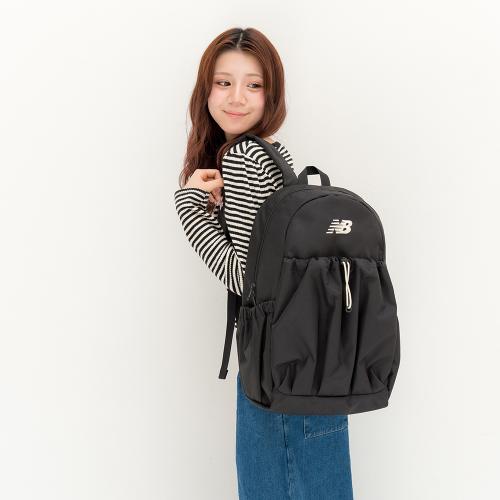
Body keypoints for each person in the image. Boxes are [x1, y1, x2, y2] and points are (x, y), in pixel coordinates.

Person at [174, 27, 354, 500]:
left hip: (276, 369)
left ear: (271, 94)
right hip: (315, 360)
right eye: (224, 82)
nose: (237, 97)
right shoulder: (276, 153)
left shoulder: (243, 156)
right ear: (206, 89)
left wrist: (189, 207)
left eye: (253, 85)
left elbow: (250, 281)